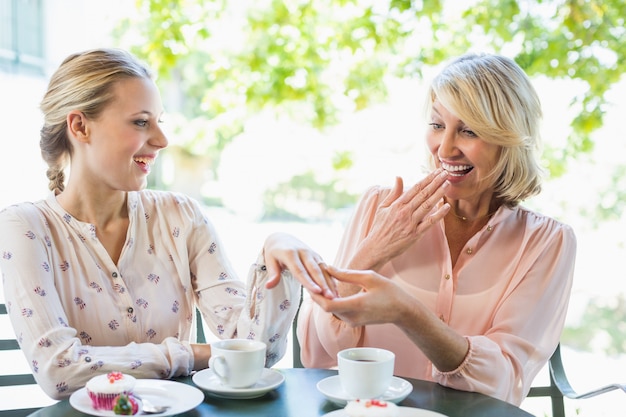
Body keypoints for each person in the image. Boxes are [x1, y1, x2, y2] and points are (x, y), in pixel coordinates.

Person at [0, 48, 335, 400]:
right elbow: (58, 370)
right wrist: (193, 354)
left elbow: (255, 352)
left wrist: (276, 253)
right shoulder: (25, 228)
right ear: (80, 127)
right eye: (141, 122)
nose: (162, 140)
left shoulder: (181, 215)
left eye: (160, 121)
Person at [297, 53, 577, 406]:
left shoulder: (546, 243)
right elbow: (322, 350)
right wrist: (373, 251)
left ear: (509, 139)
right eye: (437, 125)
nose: (445, 149)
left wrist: (409, 313)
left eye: (469, 130)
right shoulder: (379, 207)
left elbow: (502, 383)